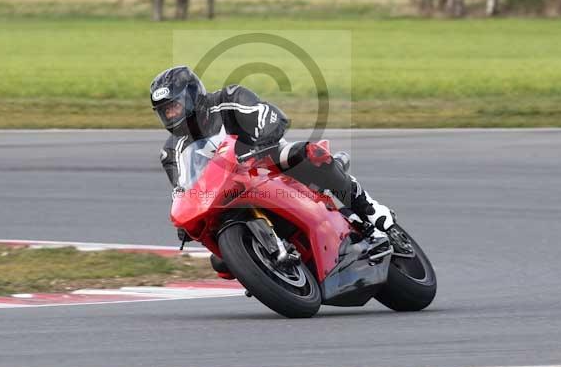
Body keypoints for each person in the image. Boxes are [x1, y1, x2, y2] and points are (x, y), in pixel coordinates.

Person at [151, 66, 395, 240]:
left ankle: (369, 209)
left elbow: (271, 116)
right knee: (221, 261)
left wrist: (261, 143)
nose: (171, 115)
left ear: (192, 96)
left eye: (174, 107)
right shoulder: (170, 151)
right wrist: (183, 221)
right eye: (165, 112)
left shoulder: (229, 98)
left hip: (266, 163)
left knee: (306, 154)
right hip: (226, 193)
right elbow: (182, 190)